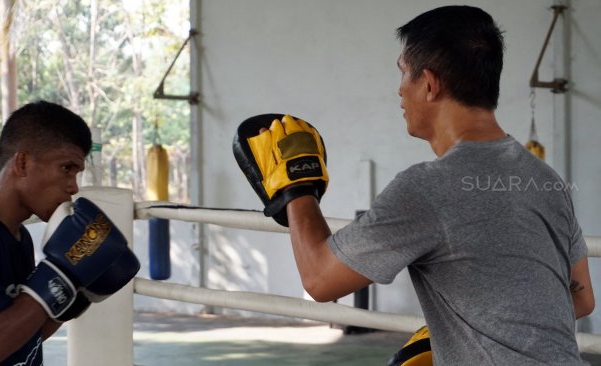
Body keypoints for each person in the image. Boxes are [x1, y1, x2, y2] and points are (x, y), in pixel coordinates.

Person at [234, 5, 595, 365]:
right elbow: (581, 299)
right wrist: (457, 331)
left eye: (404, 73)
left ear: (430, 83)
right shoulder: (544, 178)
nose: (399, 91)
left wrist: (296, 185)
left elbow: (319, 280)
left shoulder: (427, 189)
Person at [0, 101, 139, 365]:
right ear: (23, 163)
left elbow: (24, 337)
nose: (73, 187)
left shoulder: (19, 237)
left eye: (77, 173)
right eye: (66, 168)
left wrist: (77, 296)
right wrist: (59, 277)